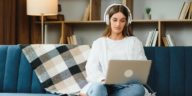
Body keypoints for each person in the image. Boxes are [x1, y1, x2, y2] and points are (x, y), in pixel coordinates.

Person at [80, 3, 147, 96]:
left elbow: (141, 66)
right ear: (108, 20)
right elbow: (91, 68)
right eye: (114, 20)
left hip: (126, 86)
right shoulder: (99, 43)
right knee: (98, 88)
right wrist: (102, 79)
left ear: (127, 22)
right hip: (103, 85)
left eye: (122, 21)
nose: (118, 24)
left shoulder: (134, 42)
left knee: (138, 90)